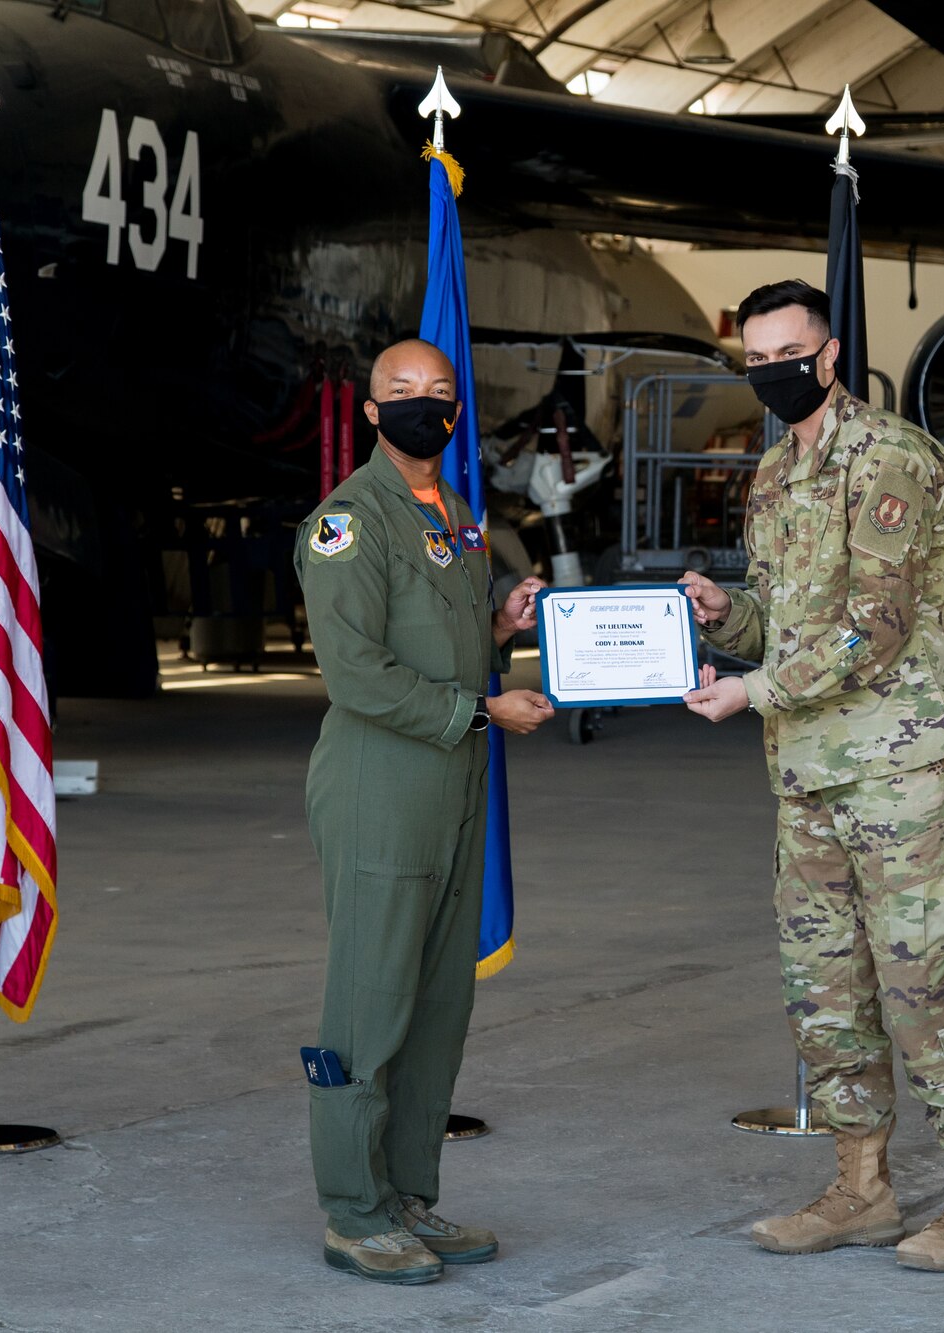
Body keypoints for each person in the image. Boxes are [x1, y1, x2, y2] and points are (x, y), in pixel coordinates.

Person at [679, 280, 944, 1273]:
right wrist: (720, 618)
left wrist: (752, 693)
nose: (771, 371)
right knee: (823, 989)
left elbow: (874, 629)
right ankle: (860, 1188)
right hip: (808, 772)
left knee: (921, 985)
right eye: (754, 360)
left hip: (896, 763)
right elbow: (781, 621)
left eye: (787, 352)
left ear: (827, 355)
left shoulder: (893, 460)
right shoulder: (775, 472)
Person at [294, 337, 554, 1285]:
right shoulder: (349, 522)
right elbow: (356, 672)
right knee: (370, 1001)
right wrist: (482, 709)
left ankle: (406, 1194)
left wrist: (500, 631)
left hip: (453, 779)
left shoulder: (457, 519)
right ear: (370, 412)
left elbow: (446, 644)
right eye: (401, 391)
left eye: (439, 392)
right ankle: (352, 1210)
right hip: (382, 778)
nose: (422, 404)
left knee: (440, 997)